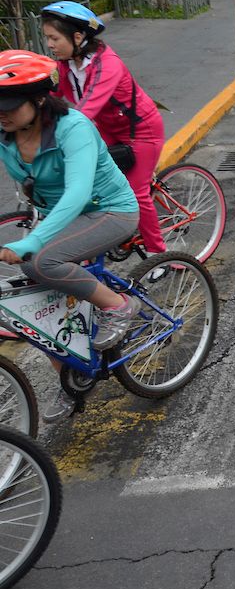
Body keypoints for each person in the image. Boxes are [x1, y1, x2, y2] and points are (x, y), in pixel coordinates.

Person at [0, 50, 141, 422]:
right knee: (33, 298)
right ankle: (71, 380)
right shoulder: (7, 133)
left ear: (39, 99)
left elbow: (77, 193)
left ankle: (118, 305)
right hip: (60, 218)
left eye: (10, 104)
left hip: (109, 211)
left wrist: (31, 241)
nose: (3, 111)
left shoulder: (73, 128)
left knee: (42, 262)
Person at [40, 1, 167, 256]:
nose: (50, 45)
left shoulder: (107, 64)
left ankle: (159, 254)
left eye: (54, 38)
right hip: (107, 128)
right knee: (93, 184)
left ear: (77, 37)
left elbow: (87, 108)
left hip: (141, 130)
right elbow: (45, 94)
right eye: (47, 38)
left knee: (135, 193)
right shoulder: (66, 64)